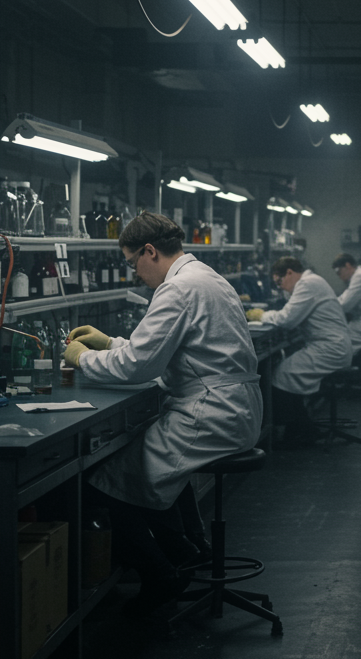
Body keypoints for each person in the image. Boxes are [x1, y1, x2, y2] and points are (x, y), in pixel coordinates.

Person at [61, 212, 263, 616]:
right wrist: (110, 341)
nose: (134, 273)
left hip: (212, 412)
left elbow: (139, 366)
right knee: (152, 466)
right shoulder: (203, 276)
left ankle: (161, 575)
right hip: (232, 408)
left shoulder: (177, 290)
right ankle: (188, 551)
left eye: (133, 262)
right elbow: (160, 349)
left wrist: (83, 358)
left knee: (106, 483)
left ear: (149, 251)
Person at [246, 257, 352, 445]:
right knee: (285, 371)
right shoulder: (311, 282)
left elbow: (287, 319)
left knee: (282, 374)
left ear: (289, 273)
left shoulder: (308, 284)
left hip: (330, 348)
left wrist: (263, 315)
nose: (281, 287)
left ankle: (296, 432)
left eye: (280, 282)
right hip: (328, 345)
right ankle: (303, 428)